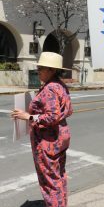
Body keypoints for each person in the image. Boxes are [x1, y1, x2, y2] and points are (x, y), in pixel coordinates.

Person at [11, 52, 73, 207]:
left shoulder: (50, 88)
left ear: (51, 70)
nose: (38, 70)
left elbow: (52, 116)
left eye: (41, 68)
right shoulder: (60, 85)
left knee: (49, 181)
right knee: (58, 176)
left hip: (48, 142)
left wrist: (29, 117)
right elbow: (69, 110)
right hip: (60, 137)